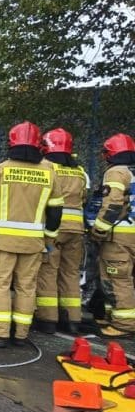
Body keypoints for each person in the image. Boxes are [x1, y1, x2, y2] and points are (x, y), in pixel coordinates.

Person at [0, 121, 64, 348]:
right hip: (33, 243)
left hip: (1, 242)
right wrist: (49, 239)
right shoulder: (49, 173)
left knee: (0, 285)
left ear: (11, 142)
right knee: (26, 286)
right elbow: (55, 212)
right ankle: (21, 334)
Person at [33, 128, 88, 335]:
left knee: (48, 270)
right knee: (71, 273)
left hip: (54, 227)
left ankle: (48, 319)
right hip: (76, 229)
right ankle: (73, 319)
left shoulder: (46, 167)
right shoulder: (79, 171)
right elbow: (83, 198)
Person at [89, 133, 135, 338]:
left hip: (121, 237)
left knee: (118, 278)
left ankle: (124, 324)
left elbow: (113, 204)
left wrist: (98, 230)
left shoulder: (117, 172)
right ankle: (113, 316)